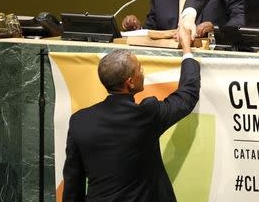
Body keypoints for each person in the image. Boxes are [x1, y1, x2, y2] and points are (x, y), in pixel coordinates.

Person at [62, 24, 200, 202]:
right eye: (139, 69)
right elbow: (186, 96)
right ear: (130, 83)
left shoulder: (79, 121)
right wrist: (187, 50)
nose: (143, 72)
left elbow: (73, 184)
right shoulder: (146, 114)